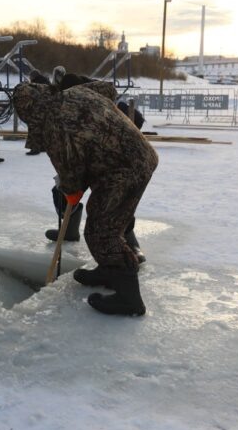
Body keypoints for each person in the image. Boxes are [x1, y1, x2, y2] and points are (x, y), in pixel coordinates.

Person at [13, 80, 158, 316]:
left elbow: (70, 171)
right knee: (100, 219)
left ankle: (129, 298)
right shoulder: (74, 90)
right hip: (132, 157)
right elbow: (108, 90)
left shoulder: (54, 125)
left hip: (125, 168)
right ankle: (109, 271)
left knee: (102, 231)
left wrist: (71, 190)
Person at [42, 76, 148, 264]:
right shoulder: (72, 103)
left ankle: (128, 241)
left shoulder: (99, 104)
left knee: (115, 201)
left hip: (117, 161)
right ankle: (69, 229)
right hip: (88, 158)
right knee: (60, 190)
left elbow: (134, 123)